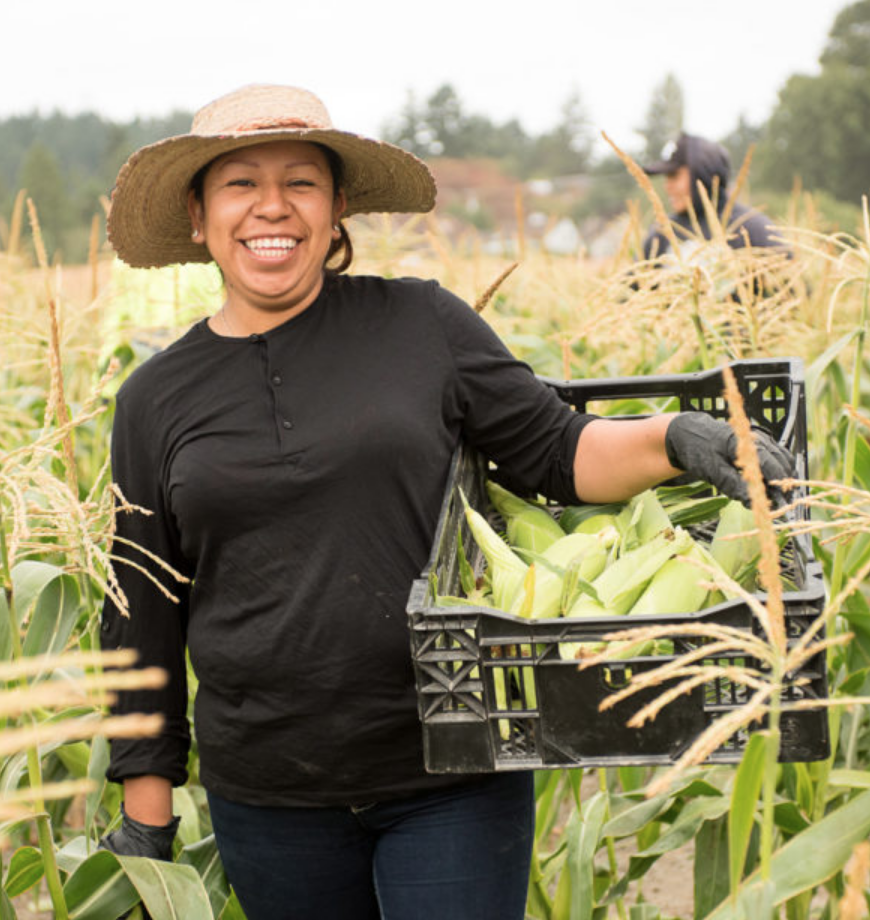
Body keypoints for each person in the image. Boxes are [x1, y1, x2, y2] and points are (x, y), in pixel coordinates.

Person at [97, 84, 793, 920]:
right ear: (198, 213)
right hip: (268, 795)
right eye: (240, 183)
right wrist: (147, 819)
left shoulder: (419, 324)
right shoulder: (154, 399)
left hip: (452, 766)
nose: (271, 207)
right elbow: (142, 615)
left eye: (301, 182)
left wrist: (675, 438)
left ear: (338, 205)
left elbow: (557, 450)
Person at [640, 132, 787, 261]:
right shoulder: (663, 233)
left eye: (674, 176)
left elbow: (790, 278)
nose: (667, 186)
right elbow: (633, 282)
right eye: (666, 177)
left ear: (702, 174)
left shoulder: (751, 229)